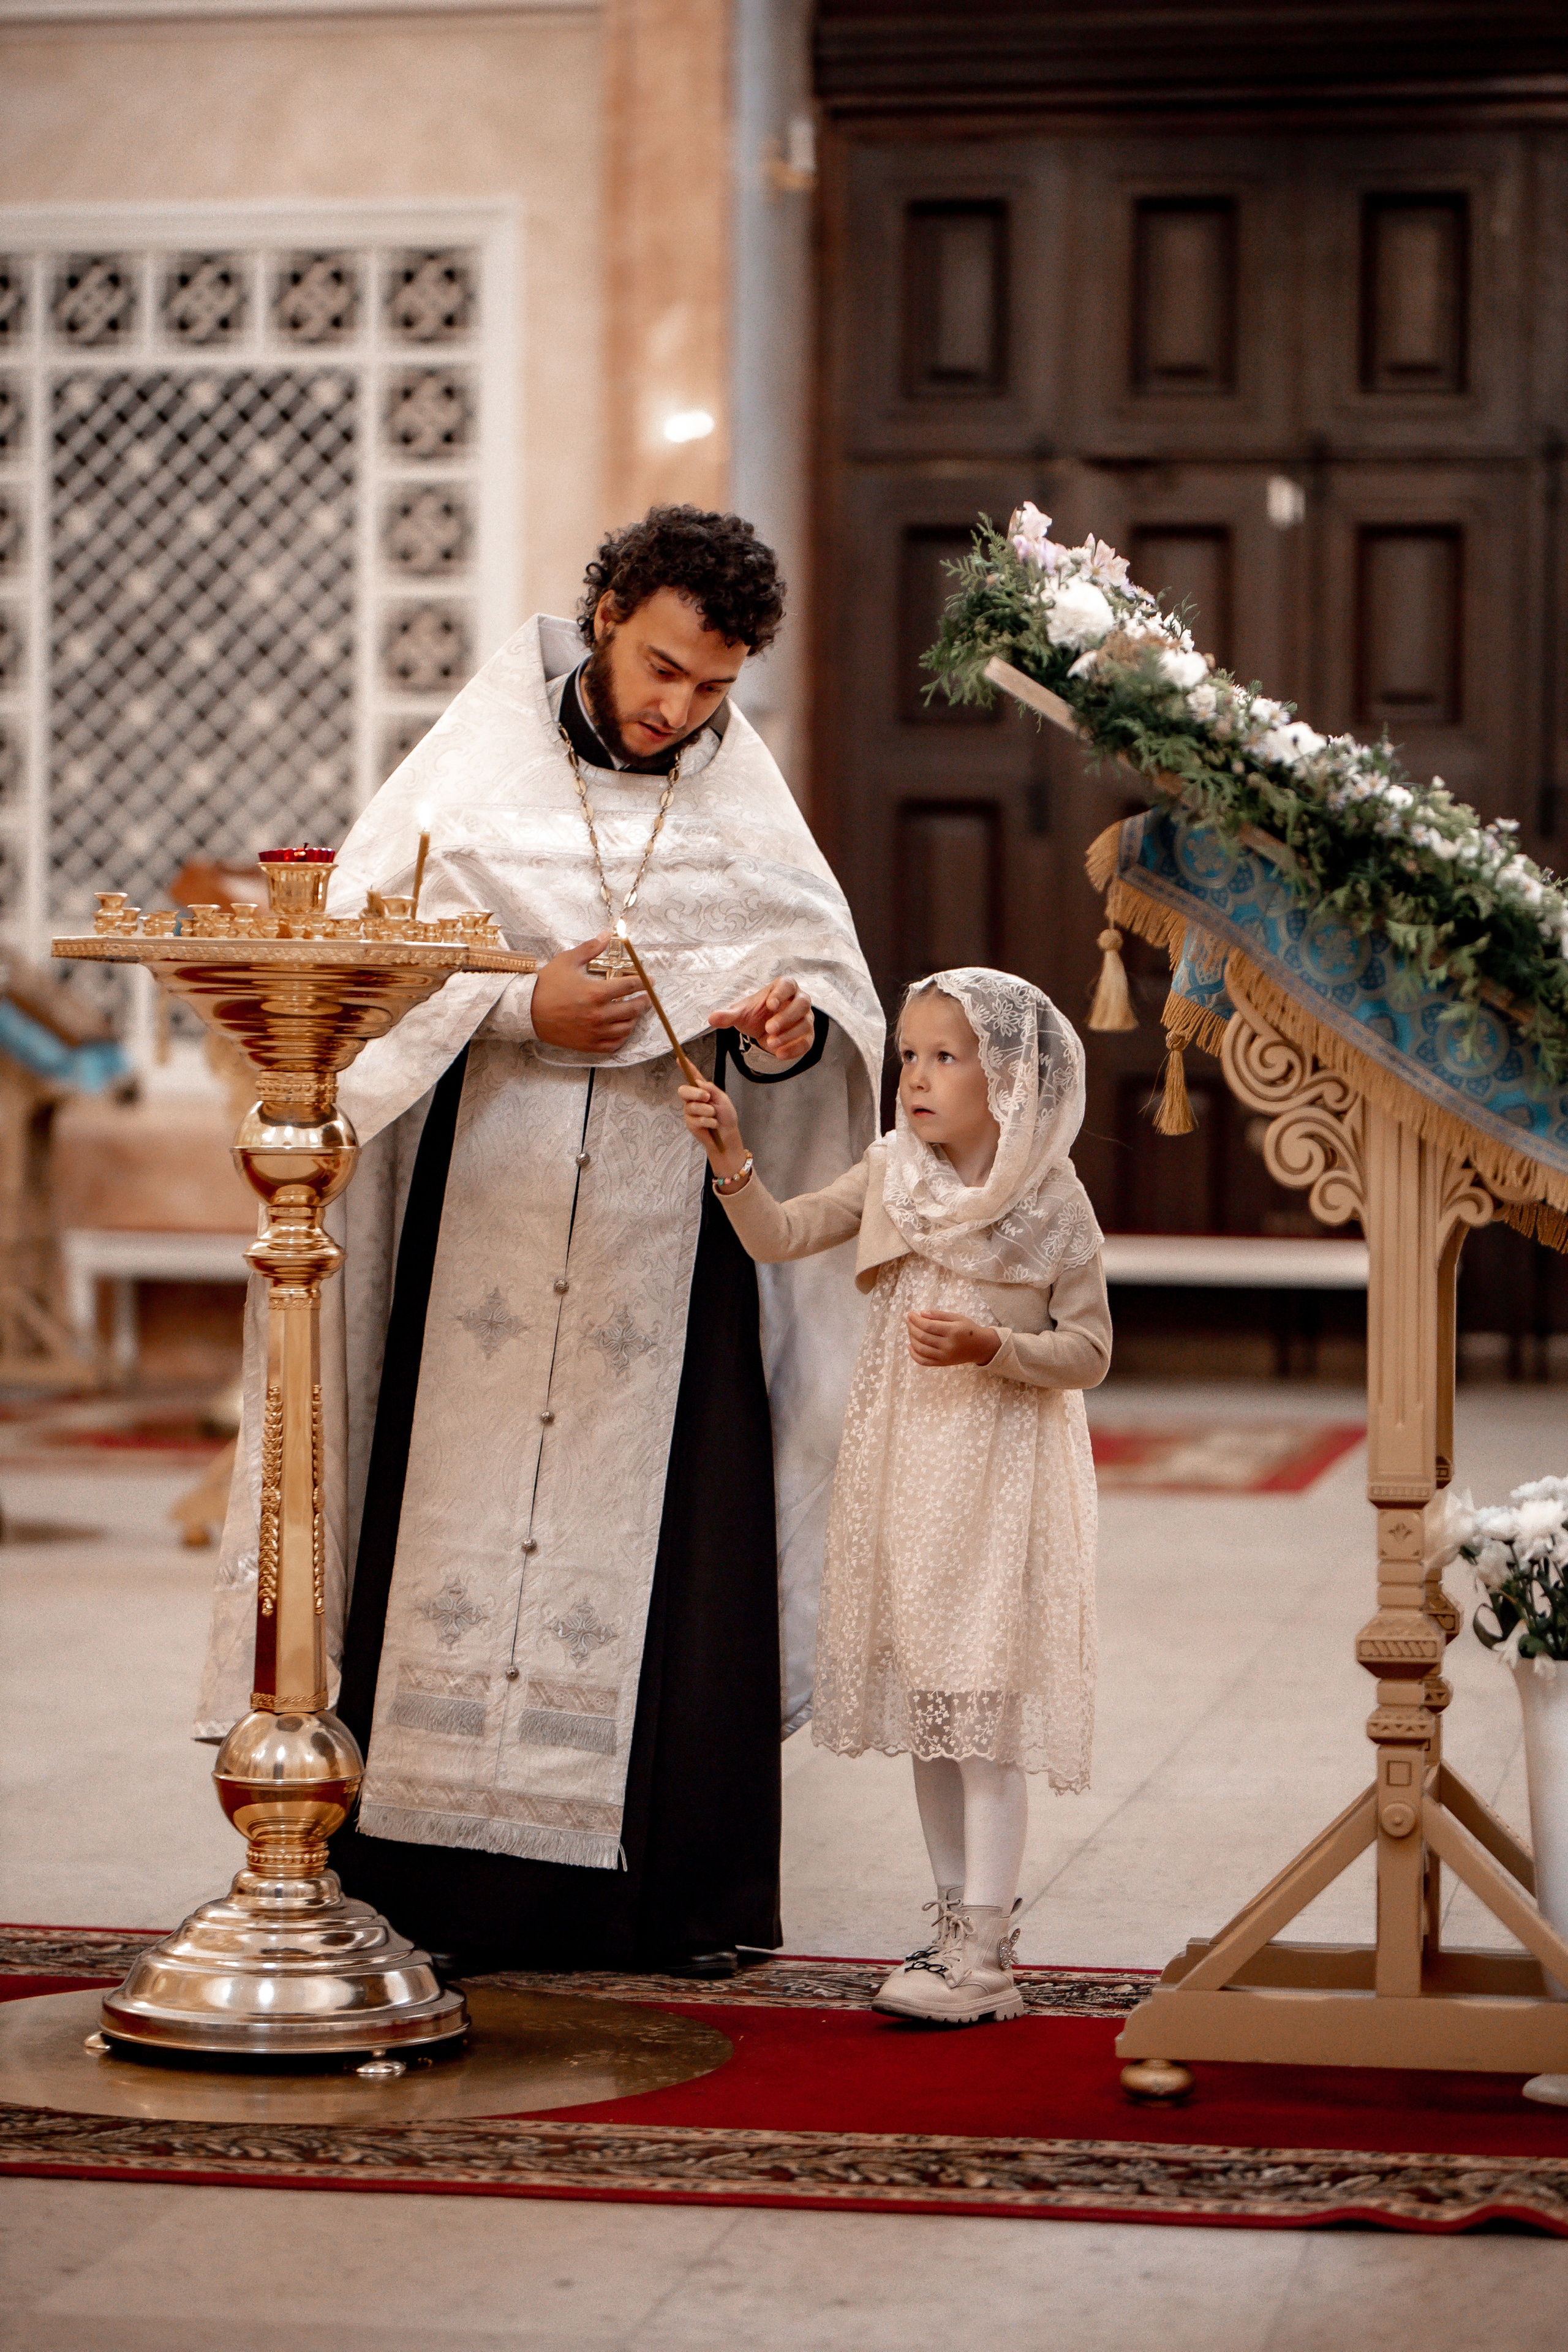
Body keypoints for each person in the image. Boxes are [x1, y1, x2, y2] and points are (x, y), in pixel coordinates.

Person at [197, 507, 884, 1978]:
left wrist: (787, 1026)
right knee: (433, 1513)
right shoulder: (474, 773)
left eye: (712, 688)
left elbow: (827, 1000)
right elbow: (361, 981)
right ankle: (431, 1888)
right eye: (658, 669)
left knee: (675, 1544)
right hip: (482, 1230)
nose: (677, 710)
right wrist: (518, 1005)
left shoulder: (740, 801)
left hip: (665, 1249)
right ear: (607, 610)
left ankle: (661, 1900)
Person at [681, 968, 1109, 2023]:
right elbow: (779, 1234)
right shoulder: (892, 1175)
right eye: (909, 1055)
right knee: (933, 1709)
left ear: (1010, 1079)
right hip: (908, 1473)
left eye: (945, 1057)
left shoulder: (1052, 1202)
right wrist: (732, 1156)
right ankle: (955, 1935)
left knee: (982, 1713)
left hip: (1000, 1477)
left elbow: (1090, 1351)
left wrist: (992, 1345)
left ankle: (991, 1957)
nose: (916, 1078)